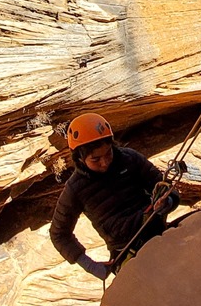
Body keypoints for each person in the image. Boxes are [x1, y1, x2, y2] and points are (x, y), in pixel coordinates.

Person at [50, 113, 179, 280]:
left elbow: (165, 186)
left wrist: (168, 201)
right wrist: (88, 264)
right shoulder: (76, 188)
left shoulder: (129, 158)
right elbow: (59, 233)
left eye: (108, 153)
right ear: (80, 158)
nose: (105, 162)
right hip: (126, 252)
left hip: (157, 229)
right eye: (95, 159)